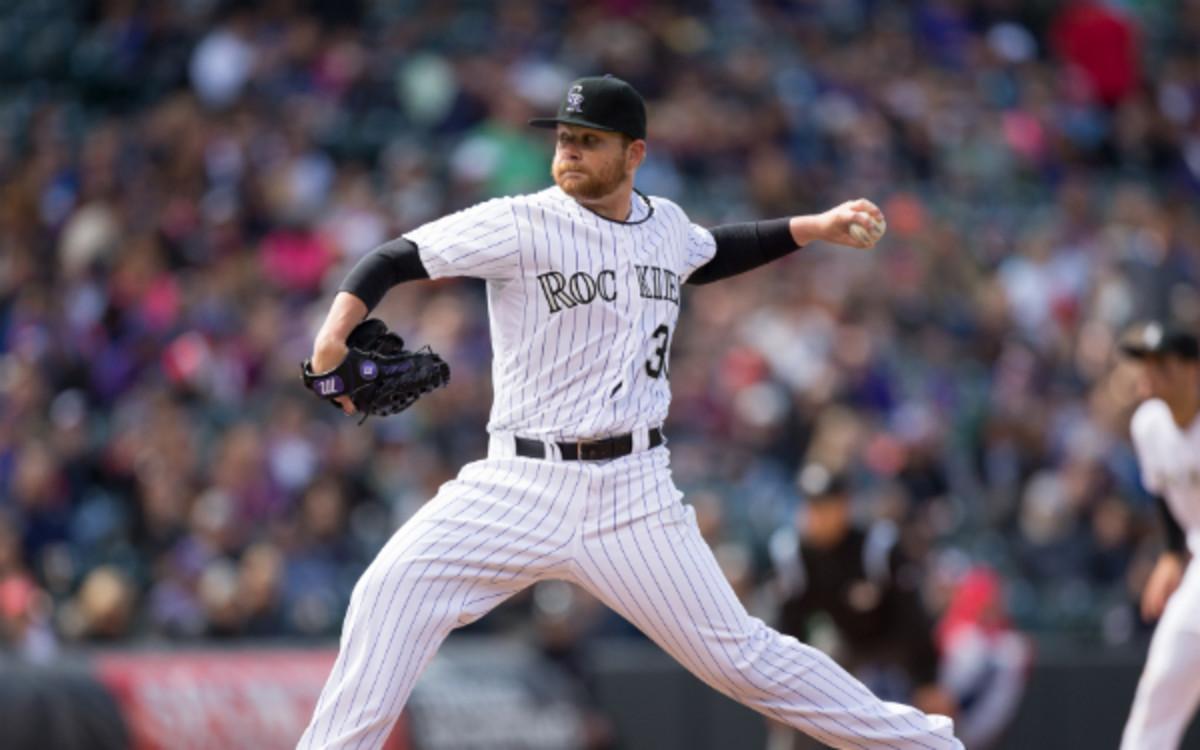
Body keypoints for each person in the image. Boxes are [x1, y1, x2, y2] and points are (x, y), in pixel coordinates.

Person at [297, 75, 961, 750]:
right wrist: (333, 335)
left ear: (634, 154)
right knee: (390, 590)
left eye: (590, 141)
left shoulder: (665, 225)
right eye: (564, 138)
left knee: (743, 658)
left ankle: (929, 746)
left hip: (633, 495)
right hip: (520, 481)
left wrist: (810, 228)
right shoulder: (522, 221)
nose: (571, 152)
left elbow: (709, 252)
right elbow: (394, 258)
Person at [769, 463, 958, 749]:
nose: (815, 514)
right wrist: (783, 690)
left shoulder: (876, 547)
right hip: (845, 646)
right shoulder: (794, 553)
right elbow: (790, 626)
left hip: (896, 651)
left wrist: (928, 679)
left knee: (900, 716)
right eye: (810, 505)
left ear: (845, 505)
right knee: (798, 713)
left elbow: (912, 617)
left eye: (825, 504)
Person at [1117, 321, 1200, 750]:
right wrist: (1171, 553)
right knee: (1160, 688)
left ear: (1193, 371)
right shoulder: (1148, 424)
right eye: (1145, 364)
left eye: (1162, 364)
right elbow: (1161, 491)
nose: (1149, 374)